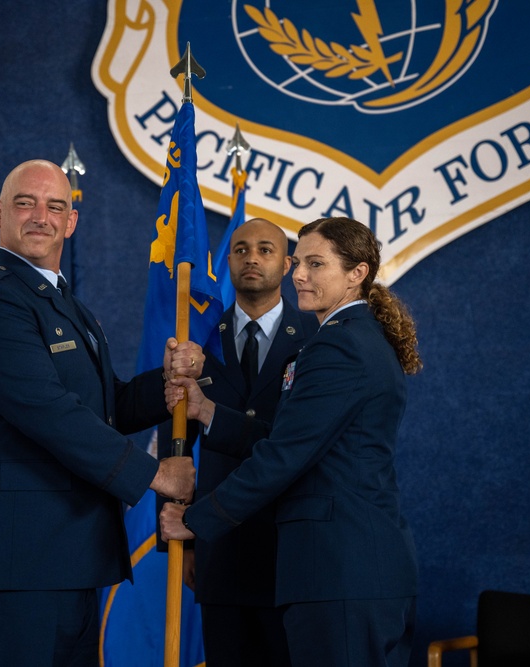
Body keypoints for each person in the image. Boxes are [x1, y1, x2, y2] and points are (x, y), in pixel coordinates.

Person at [0, 159, 199, 667]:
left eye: (55, 206)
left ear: (71, 221)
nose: (41, 216)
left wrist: (165, 385)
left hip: (65, 560)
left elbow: (101, 408)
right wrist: (154, 474)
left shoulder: (67, 306)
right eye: (25, 203)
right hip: (11, 568)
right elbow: (49, 412)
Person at [161, 216, 422, 667]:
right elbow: (292, 438)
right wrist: (207, 412)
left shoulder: (336, 346)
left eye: (316, 264)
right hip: (356, 571)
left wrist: (199, 520)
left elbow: (285, 455)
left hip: (338, 572)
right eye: (299, 262)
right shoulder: (357, 337)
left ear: (356, 273)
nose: (299, 274)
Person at [165, 218, 318, 666]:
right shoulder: (196, 339)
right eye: (242, 249)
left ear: (288, 264)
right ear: (227, 261)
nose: (252, 257)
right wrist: (187, 542)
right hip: (219, 548)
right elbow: (173, 441)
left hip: (287, 546)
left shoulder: (316, 338)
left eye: (266, 249)